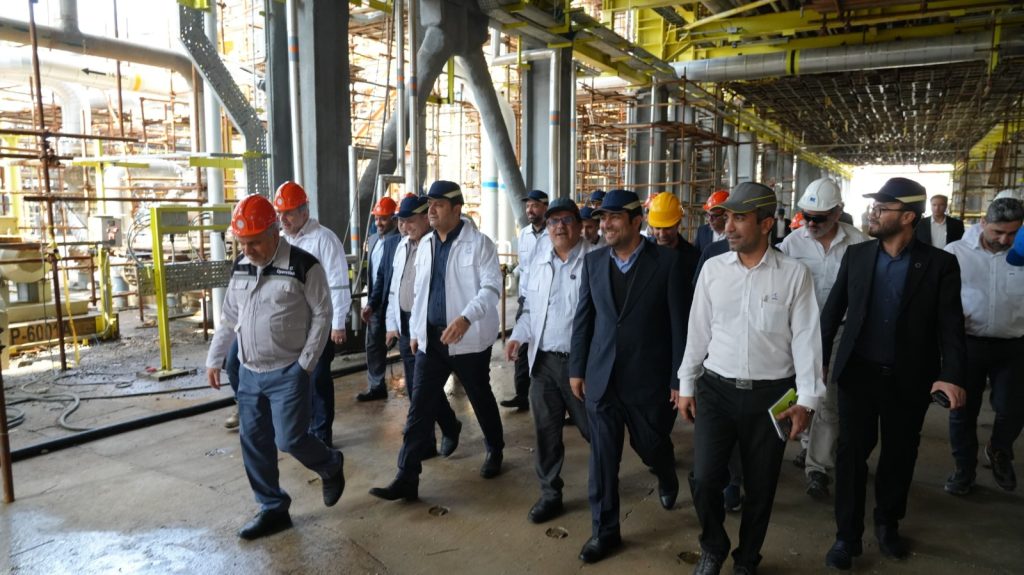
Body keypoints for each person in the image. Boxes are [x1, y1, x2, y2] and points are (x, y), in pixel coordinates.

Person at [677, 182, 825, 575]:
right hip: (717, 390)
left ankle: (747, 558)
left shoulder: (793, 275)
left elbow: (807, 340)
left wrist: (807, 401)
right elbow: (697, 332)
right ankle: (713, 546)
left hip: (771, 398)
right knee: (704, 479)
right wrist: (687, 384)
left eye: (739, 218)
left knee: (761, 486)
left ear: (765, 224)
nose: (728, 227)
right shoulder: (713, 270)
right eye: (727, 217)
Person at [820, 177, 967, 570]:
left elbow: (951, 327)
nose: (874, 213)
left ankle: (887, 523)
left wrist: (952, 375)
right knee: (851, 455)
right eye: (875, 206)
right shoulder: (857, 256)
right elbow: (832, 312)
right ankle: (846, 536)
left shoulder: (939, 265)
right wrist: (818, 360)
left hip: (909, 378)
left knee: (899, 455)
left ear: (907, 217)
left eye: (883, 208)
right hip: (859, 374)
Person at [206, 195, 345, 540]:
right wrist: (215, 357)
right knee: (254, 441)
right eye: (242, 242)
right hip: (250, 371)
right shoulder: (242, 265)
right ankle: (273, 507)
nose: (247, 250)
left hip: (288, 371)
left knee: (290, 439)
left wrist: (305, 365)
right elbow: (230, 316)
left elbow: (323, 314)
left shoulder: (304, 265)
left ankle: (330, 464)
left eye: (254, 242)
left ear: (273, 232)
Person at [569, 189, 687, 564]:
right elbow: (584, 319)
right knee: (603, 460)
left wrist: (679, 379)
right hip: (602, 378)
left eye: (614, 218)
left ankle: (665, 472)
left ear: (637, 221)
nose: (605, 225)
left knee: (650, 445)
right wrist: (577, 368)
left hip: (648, 379)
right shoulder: (594, 262)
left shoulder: (667, 263)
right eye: (602, 218)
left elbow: (679, 326)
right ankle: (604, 532)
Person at [369, 181, 505, 501]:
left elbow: (491, 289)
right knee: (419, 407)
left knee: (479, 396)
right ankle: (406, 476)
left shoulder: (479, 244)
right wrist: (417, 332)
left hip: (468, 339)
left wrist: (466, 318)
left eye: (439, 205)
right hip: (432, 339)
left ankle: (495, 448)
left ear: (457, 209)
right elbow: (421, 293)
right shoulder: (427, 243)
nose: (431, 210)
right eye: (429, 204)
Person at [505, 198, 595, 524]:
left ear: (579, 225)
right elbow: (530, 309)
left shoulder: (595, 262)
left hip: (580, 366)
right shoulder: (540, 261)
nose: (559, 227)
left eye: (567, 220)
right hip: (542, 362)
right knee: (545, 432)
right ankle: (549, 494)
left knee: (594, 430)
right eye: (554, 221)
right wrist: (518, 336)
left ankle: (603, 485)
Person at [778, 177, 868, 500]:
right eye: (806, 216)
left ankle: (817, 468)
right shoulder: (791, 245)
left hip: (839, 333)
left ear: (838, 212)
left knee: (828, 400)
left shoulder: (858, 244)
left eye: (819, 218)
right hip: (797, 330)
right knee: (793, 392)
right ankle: (802, 442)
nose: (811, 223)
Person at [943, 197, 1024, 494]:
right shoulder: (956, 254)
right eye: (998, 232)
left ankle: (999, 449)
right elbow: (939, 299)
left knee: (1012, 409)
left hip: (1013, 346)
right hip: (968, 344)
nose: (1004, 240)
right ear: (983, 223)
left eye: (1012, 233)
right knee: (962, 410)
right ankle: (964, 470)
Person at [271, 181, 352, 446]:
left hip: (319, 324)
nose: (283, 219)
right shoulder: (282, 241)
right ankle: (302, 429)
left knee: (318, 380)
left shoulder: (323, 239)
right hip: (290, 326)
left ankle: (322, 435)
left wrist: (338, 323)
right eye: (280, 213)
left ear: (304, 212)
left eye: (289, 213)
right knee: (296, 380)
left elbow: (338, 282)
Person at [384, 194, 461, 457]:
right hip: (406, 325)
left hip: (429, 326)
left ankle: (432, 438)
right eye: (401, 222)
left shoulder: (436, 245)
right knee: (417, 389)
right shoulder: (402, 246)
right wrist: (392, 323)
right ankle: (441, 431)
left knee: (422, 390)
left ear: (425, 218)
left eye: (410, 221)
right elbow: (395, 287)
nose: (405, 227)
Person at [503, 190, 549, 412]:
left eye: (535, 206)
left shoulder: (554, 232)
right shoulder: (524, 234)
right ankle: (521, 394)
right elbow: (524, 265)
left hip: (548, 297)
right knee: (520, 345)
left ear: (545, 207)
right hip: (526, 297)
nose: (530, 210)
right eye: (528, 206)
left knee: (547, 346)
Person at [358, 196, 400, 401]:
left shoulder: (400, 240)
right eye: (376, 218)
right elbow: (374, 273)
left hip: (394, 302)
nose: (378, 223)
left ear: (394, 219)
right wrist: (370, 303)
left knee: (405, 344)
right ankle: (376, 386)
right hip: (376, 302)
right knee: (373, 345)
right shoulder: (373, 240)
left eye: (383, 218)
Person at [647, 191, 700, 287]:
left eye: (667, 228)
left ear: (678, 224)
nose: (662, 234)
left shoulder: (693, 257)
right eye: (657, 228)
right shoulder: (643, 251)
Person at [695, 190, 729, 255]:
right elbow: (696, 257)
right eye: (708, 215)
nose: (710, 219)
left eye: (714, 216)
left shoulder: (736, 234)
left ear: (726, 215)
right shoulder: (702, 231)